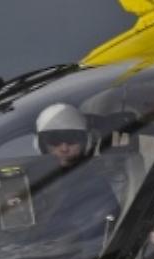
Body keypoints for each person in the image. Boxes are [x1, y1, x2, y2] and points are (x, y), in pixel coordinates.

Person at [34, 103, 120, 248]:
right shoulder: (33, 181)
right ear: (42, 144)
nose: (64, 148)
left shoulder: (94, 183)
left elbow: (90, 236)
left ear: (85, 142)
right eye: (54, 139)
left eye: (72, 138)